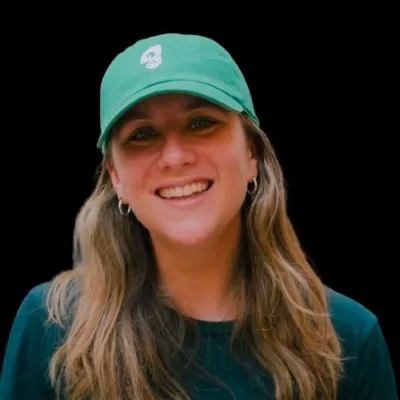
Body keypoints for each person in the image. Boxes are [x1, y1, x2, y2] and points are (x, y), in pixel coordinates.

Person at [0, 33, 397, 400]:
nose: (174, 156)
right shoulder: (51, 328)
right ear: (116, 177)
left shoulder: (348, 338)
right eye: (142, 134)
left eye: (202, 123)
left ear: (252, 155)